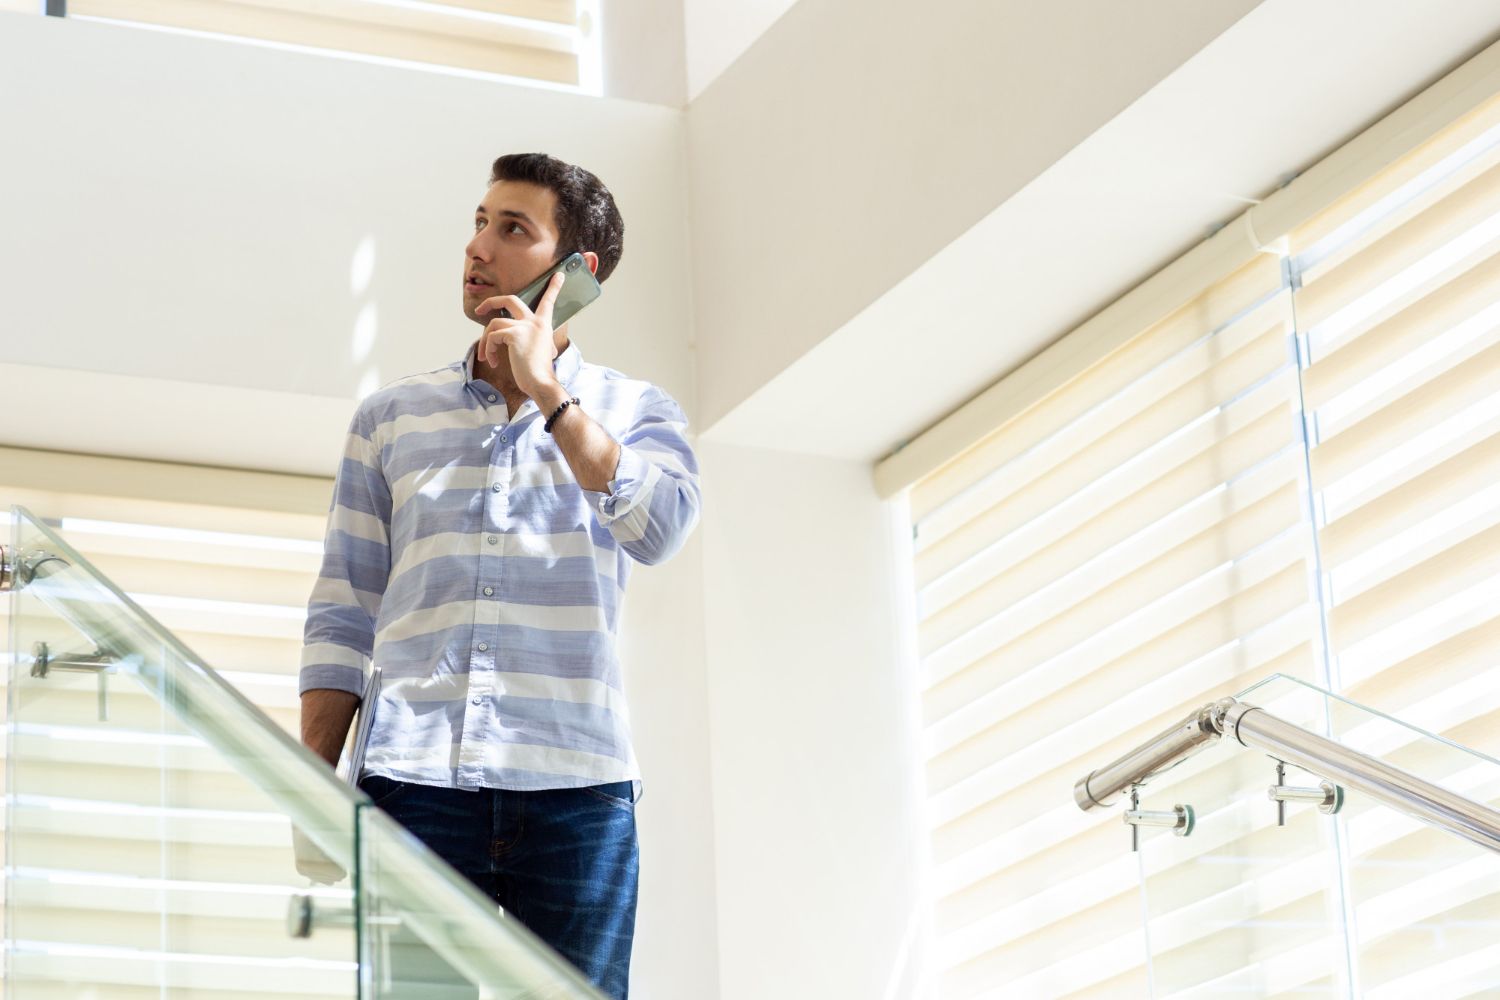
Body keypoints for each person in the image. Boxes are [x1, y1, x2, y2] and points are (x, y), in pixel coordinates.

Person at [297, 152, 701, 1000]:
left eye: (512, 229)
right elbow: (344, 613)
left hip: (577, 795)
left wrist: (551, 397)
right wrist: (311, 786)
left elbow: (660, 530)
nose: (478, 247)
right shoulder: (390, 419)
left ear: (577, 272)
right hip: (413, 788)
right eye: (479, 223)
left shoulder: (638, 413)